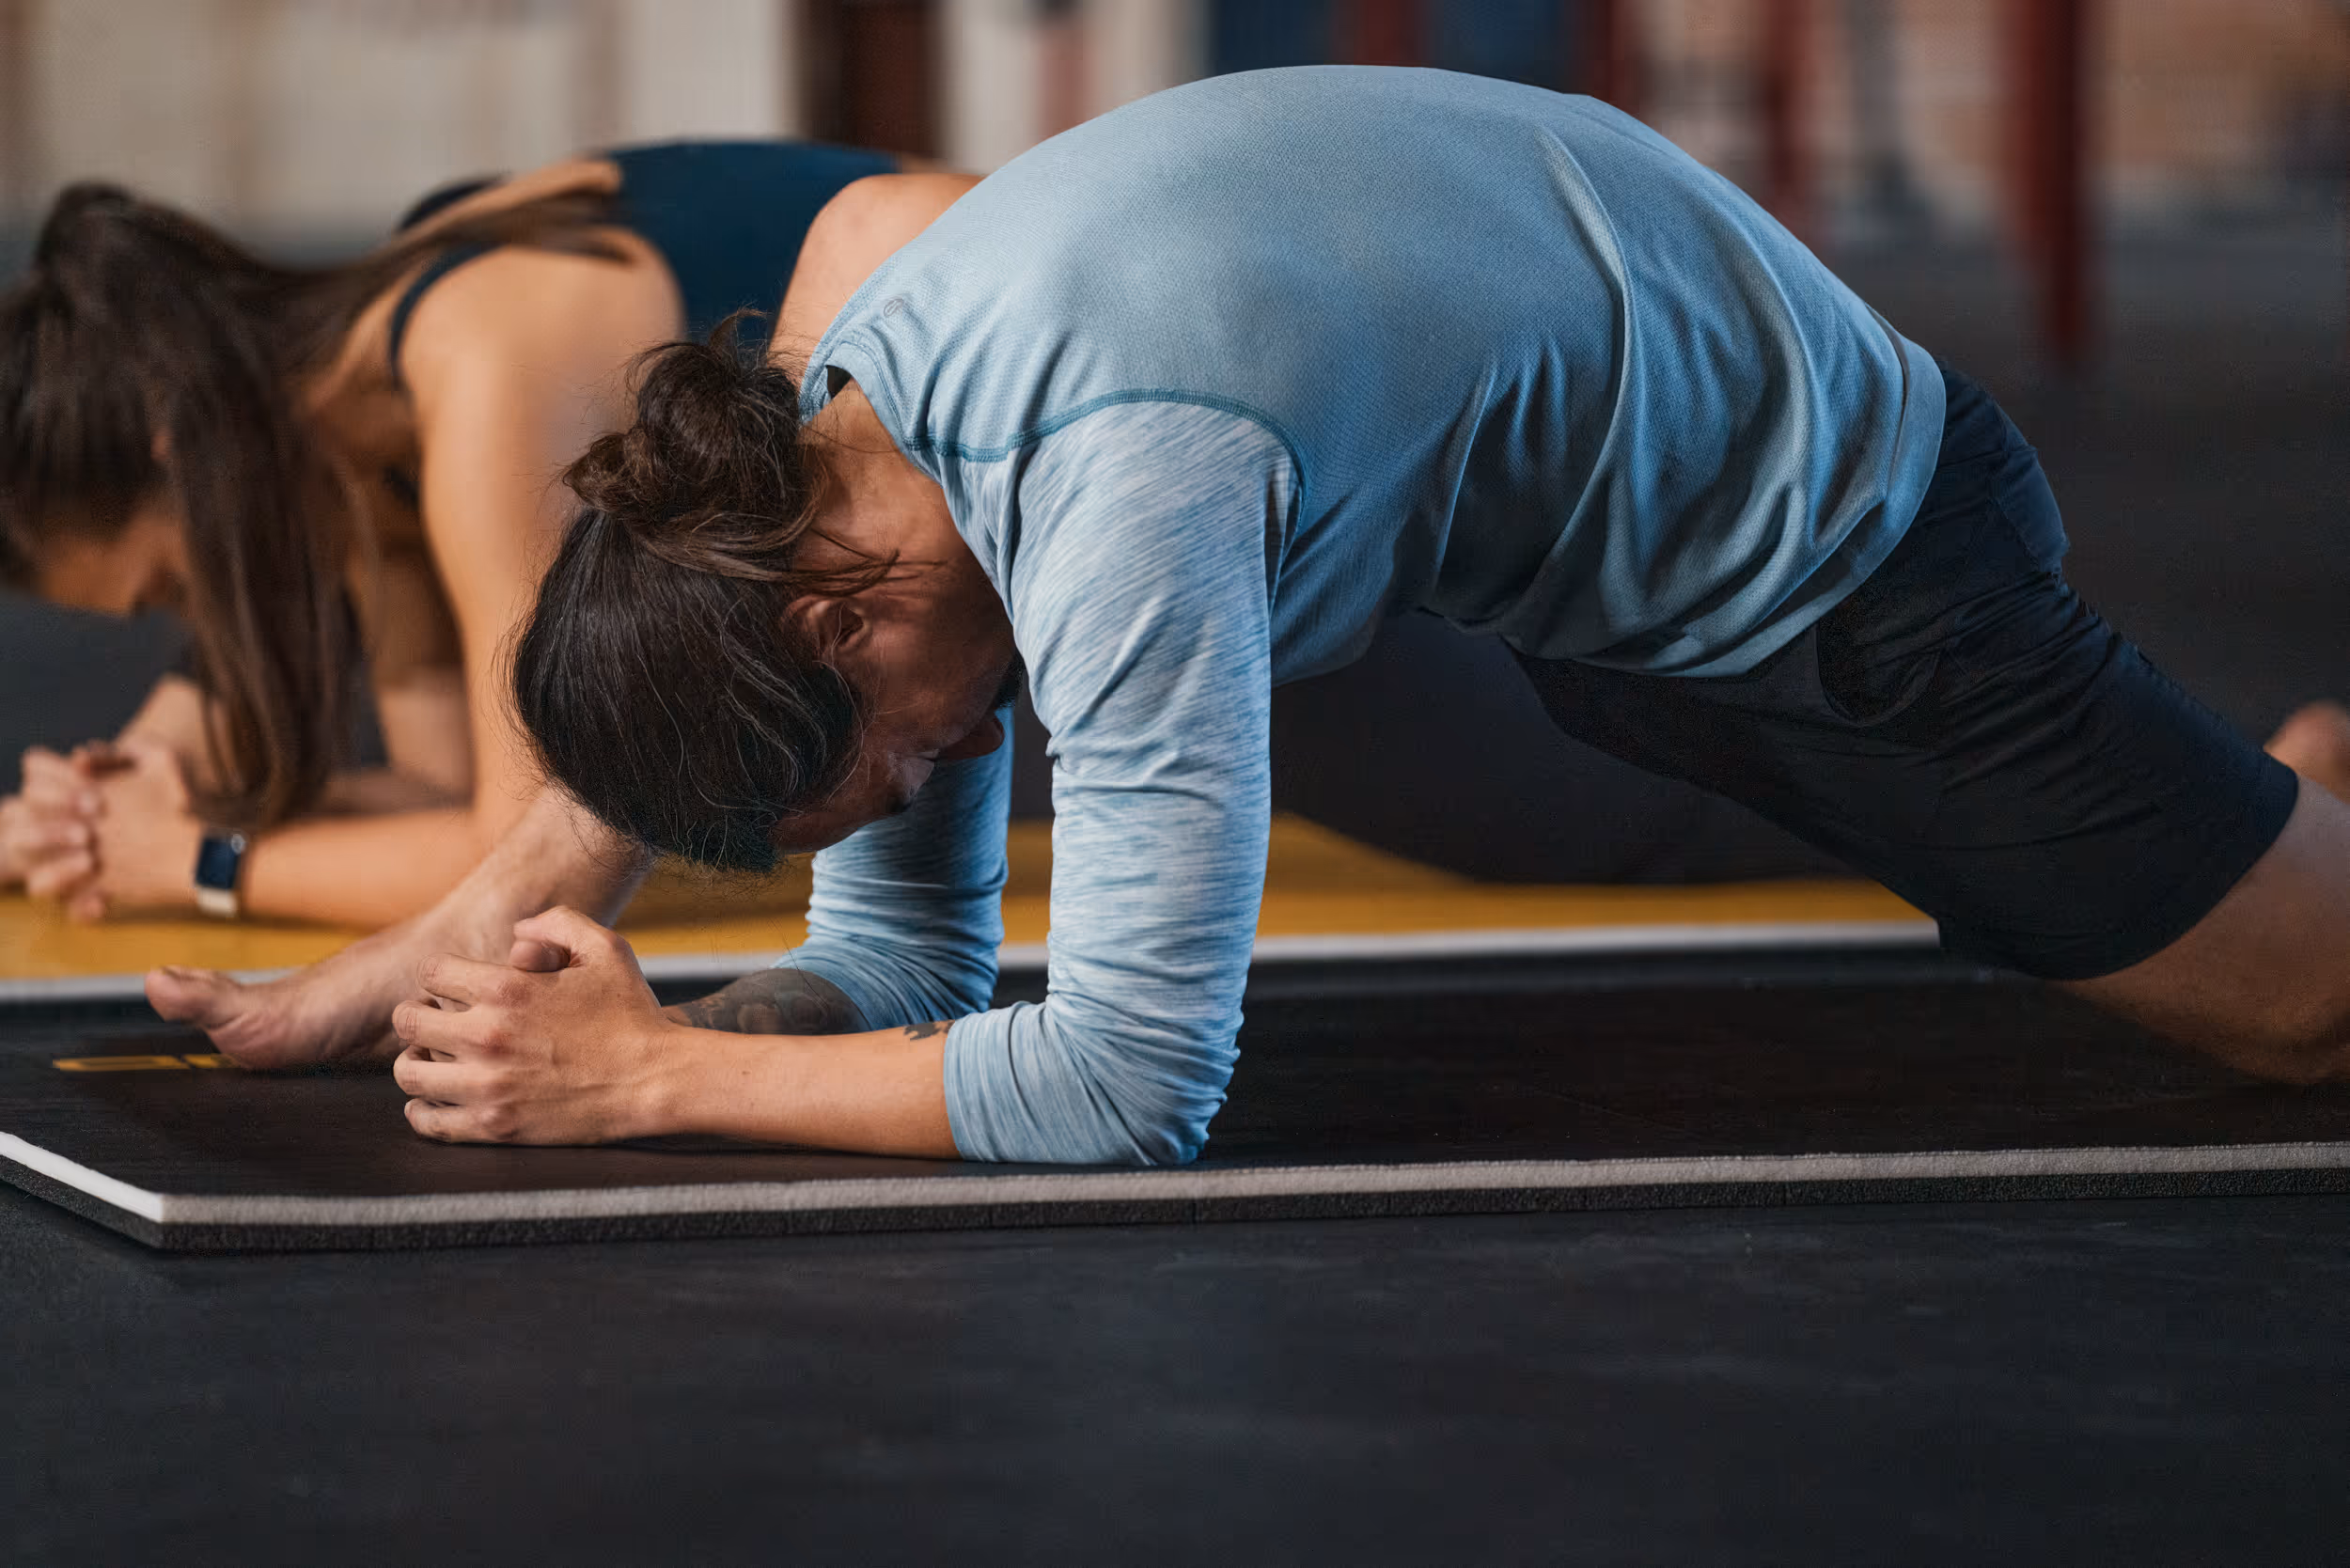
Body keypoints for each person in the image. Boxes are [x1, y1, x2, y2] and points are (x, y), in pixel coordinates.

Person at [150, 68, 2350, 1164]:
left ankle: (2265, 846)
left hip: (1845, 569)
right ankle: (2260, 810)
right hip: (1618, 593)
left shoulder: (1112, 487)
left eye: (894, 765)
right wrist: (665, 1012)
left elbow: (1129, 1080)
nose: (937, 785)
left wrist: (650, 1080)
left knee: (2297, 1022)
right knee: (2101, 900)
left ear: (829, 620)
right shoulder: (847, 457)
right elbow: (912, 966)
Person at [0, 138, 959, 926]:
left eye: (170, 585)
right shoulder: (376, 425)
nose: (196, 628)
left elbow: (530, 862)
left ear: (185, 452)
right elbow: (440, 791)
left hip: (1035, 442)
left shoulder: (482, 359)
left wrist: (198, 860)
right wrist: (127, 811)